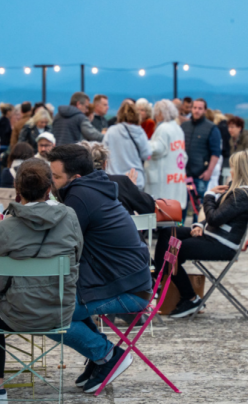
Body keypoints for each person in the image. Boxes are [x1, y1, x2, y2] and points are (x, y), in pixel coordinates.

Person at [0, 159, 83, 403]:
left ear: (17, 188)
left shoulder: (5, 228)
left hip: (15, 317)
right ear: (49, 189)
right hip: (60, 311)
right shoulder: (70, 217)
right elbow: (78, 256)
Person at [46, 145, 151, 393]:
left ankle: (107, 355)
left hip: (128, 291)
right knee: (62, 303)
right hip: (127, 283)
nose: (52, 182)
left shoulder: (80, 196)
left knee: (47, 315)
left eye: (57, 177)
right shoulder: (90, 189)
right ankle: (100, 357)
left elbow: (61, 245)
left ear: (76, 178)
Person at [154, 149, 248, 317]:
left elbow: (215, 218)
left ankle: (189, 297)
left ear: (240, 170)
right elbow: (217, 218)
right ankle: (161, 272)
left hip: (221, 245)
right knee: (168, 232)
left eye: (233, 167)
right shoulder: (238, 192)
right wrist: (198, 225)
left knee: (172, 251)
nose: (230, 170)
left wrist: (208, 195)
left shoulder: (242, 194)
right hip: (212, 236)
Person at [80, 141, 156, 215]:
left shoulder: (75, 186)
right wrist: (132, 188)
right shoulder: (121, 183)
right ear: (105, 163)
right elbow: (148, 207)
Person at [145, 99, 188, 210]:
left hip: (163, 179)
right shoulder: (178, 128)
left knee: (162, 211)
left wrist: (144, 144)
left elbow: (159, 149)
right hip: (175, 176)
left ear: (160, 113)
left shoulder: (163, 128)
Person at [103, 101, 152, 189]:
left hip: (114, 179)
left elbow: (103, 153)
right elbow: (147, 154)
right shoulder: (140, 131)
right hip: (136, 179)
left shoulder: (111, 131)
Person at [182, 98, 221, 201]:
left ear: (205, 110)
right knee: (182, 205)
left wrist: (209, 171)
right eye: (194, 108)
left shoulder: (211, 128)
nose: (196, 110)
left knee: (199, 206)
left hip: (200, 175)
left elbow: (216, 153)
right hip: (184, 174)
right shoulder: (184, 126)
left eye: (200, 108)